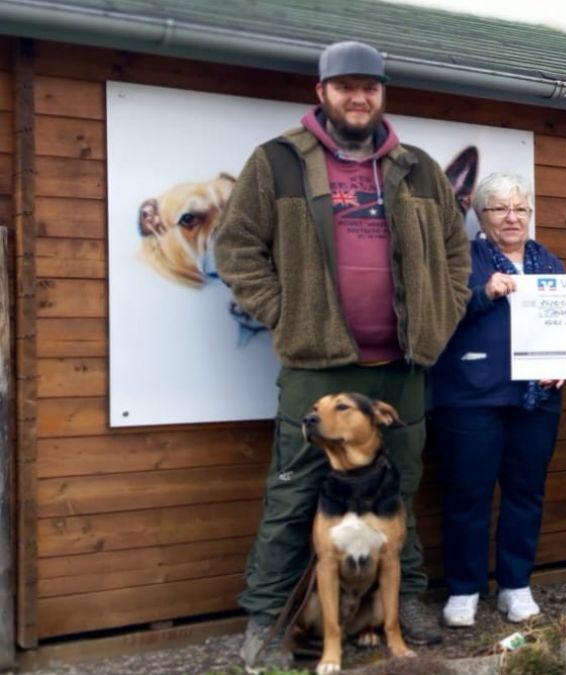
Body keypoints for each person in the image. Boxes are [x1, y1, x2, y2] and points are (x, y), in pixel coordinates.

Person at [213, 40, 471, 667]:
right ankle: (268, 624)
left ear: (382, 94)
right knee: (293, 492)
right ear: (321, 92)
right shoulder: (277, 162)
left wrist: (443, 312)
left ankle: (402, 601)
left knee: (400, 488)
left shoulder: (418, 167)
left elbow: (455, 254)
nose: (359, 97)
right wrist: (285, 312)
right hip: (317, 366)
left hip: (404, 366)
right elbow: (236, 246)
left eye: (371, 87)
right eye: (346, 86)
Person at [430, 173, 566, 627]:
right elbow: (437, 315)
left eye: (520, 209)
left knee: (525, 493)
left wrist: (563, 363)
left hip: (536, 401)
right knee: (467, 495)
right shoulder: (462, 262)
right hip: (471, 399)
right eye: (500, 209)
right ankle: (465, 589)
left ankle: (515, 586)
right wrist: (484, 293)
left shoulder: (548, 262)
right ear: (480, 217)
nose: (512, 217)